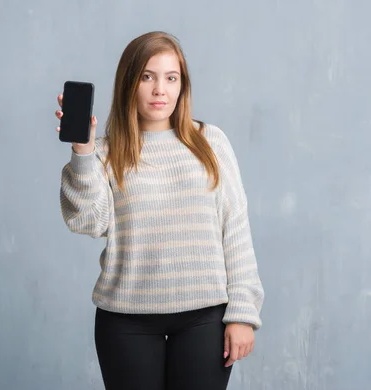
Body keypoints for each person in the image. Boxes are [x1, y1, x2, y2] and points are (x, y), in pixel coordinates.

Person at [55, 31, 264, 390]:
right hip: (126, 319)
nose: (159, 90)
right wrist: (83, 153)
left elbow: (236, 227)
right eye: (147, 77)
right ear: (129, 83)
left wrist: (243, 314)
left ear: (183, 85)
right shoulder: (104, 153)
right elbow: (89, 221)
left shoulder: (210, 142)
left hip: (204, 316)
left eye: (171, 78)